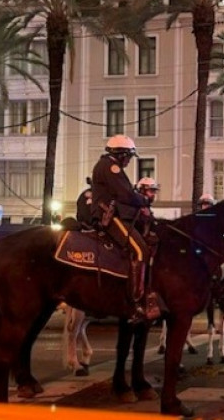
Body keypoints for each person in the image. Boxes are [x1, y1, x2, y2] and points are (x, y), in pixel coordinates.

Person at [91, 134, 154, 322]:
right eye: (128, 157)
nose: (128, 161)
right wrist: (144, 200)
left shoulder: (108, 166)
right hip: (109, 217)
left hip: (116, 214)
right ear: (121, 154)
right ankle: (136, 304)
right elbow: (125, 194)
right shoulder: (111, 167)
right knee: (140, 250)